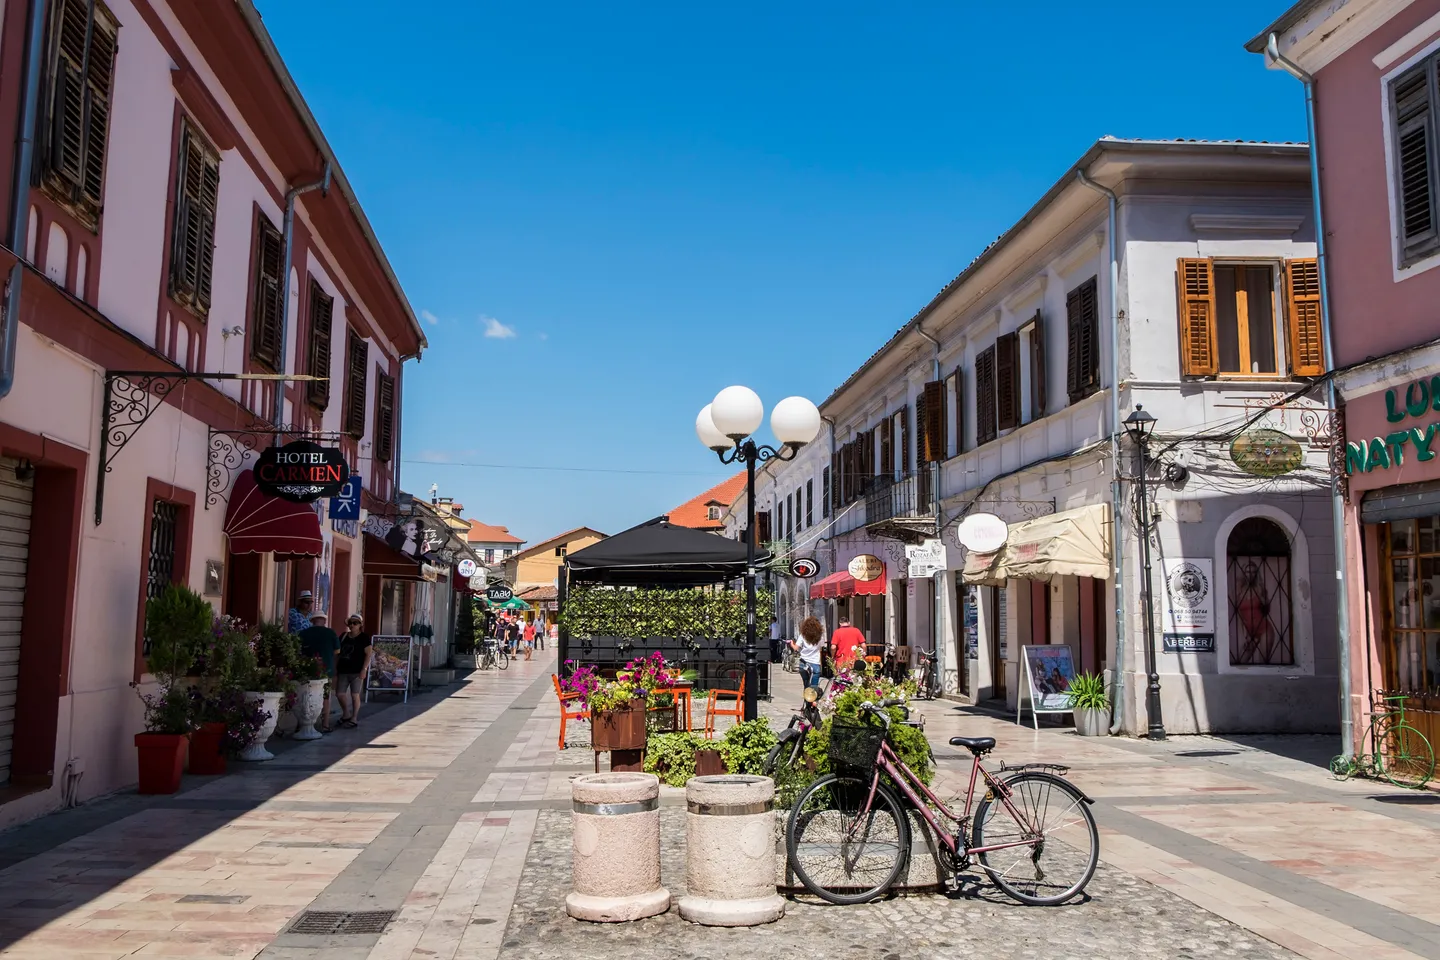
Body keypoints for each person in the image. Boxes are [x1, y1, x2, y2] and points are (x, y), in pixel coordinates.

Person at [298, 613, 341, 733]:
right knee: (326, 696)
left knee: (305, 695)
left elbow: (298, 650)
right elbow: (337, 651)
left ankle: (301, 724)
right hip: (326, 669)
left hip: (307, 669)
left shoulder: (303, 633)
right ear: (323, 620)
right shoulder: (331, 633)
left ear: (312, 621)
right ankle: (325, 724)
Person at [335, 614, 374, 728]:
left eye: (355, 623)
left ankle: (354, 718)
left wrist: (364, 669)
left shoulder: (364, 638)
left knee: (354, 694)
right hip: (343, 670)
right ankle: (346, 713)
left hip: (357, 671)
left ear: (360, 625)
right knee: (340, 694)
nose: (352, 625)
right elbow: (337, 653)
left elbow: (368, 654)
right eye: (350, 623)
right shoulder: (343, 636)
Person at [791, 616, 825, 690]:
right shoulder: (820, 636)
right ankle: (812, 698)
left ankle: (807, 698)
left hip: (804, 662)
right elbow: (821, 648)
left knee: (806, 685)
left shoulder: (803, 636)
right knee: (814, 687)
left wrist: (792, 644)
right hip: (815, 663)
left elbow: (796, 648)